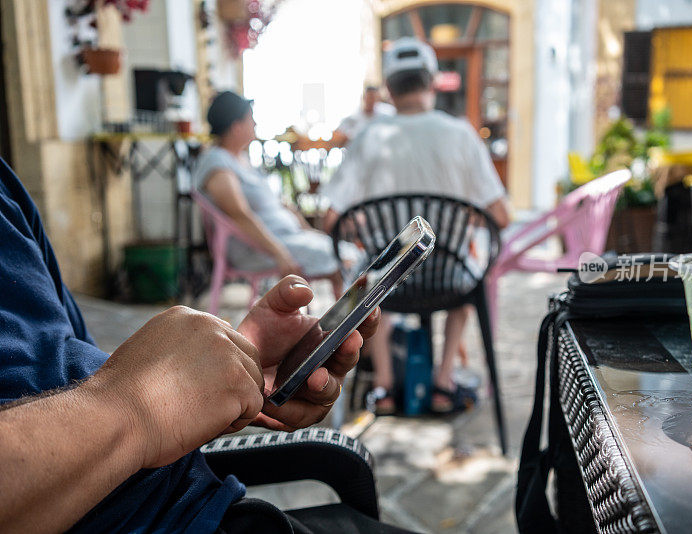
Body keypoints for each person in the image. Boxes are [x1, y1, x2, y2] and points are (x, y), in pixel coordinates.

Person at [0, 158, 415, 533]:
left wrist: (224, 370)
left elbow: (70, 374)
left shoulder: (7, 192)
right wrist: (136, 406)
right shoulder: (218, 165)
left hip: (207, 503)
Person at [322, 38, 511, 415]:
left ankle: (385, 388)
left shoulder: (368, 137)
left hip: (386, 282)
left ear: (389, 89)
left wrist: (365, 225)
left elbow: (331, 219)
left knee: (381, 265)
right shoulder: (460, 134)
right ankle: (443, 382)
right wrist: (461, 218)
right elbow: (501, 217)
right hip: (449, 276)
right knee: (468, 274)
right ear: (432, 83)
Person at [194, 91, 346, 297]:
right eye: (251, 119)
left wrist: (308, 231)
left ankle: (357, 322)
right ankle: (350, 324)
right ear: (236, 126)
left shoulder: (242, 159)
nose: (255, 124)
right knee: (341, 256)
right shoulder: (217, 163)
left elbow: (280, 204)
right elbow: (240, 215)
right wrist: (280, 253)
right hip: (256, 249)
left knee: (348, 252)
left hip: (284, 239)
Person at [331, 86, 395, 147]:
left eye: (374, 98)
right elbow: (337, 137)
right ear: (363, 98)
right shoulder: (351, 118)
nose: (371, 101)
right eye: (369, 98)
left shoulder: (387, 114)